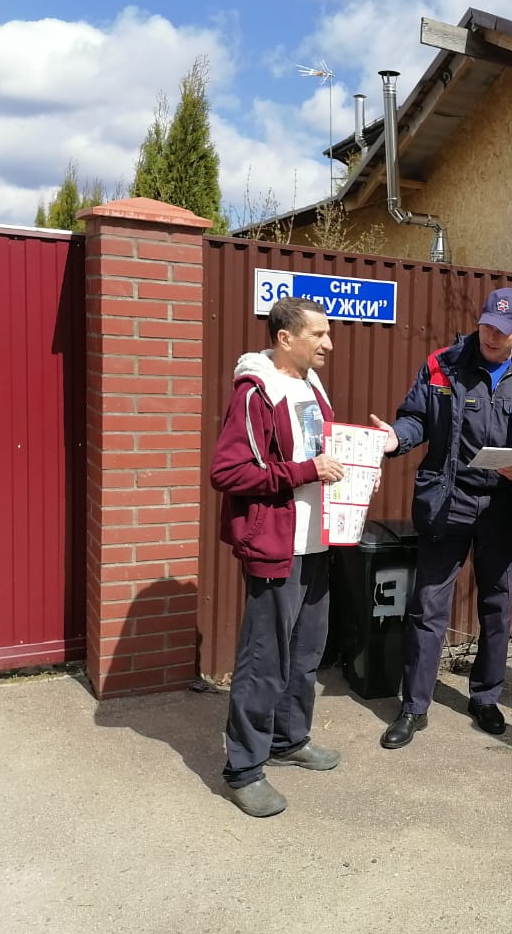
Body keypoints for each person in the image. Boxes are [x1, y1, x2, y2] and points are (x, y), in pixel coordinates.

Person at [369, 287, 512, 749]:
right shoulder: (443, 363)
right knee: (428, 605)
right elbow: (415, 419)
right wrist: (392, 440)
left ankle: (484, 697)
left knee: (498, 607)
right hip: (449, 499)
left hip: (507, 504)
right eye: (486, 326)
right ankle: (414, 706)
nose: (491, 336)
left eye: (503, 331)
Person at [209, 297, 346, 818]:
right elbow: (228, 473)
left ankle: (290, 739)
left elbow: (320, 453)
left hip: (316, 542)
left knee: (307, 651)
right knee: (264, 660)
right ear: (285, 338)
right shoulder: (255, 391)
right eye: (318, 335)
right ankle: (244, 768)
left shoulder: (312, 387)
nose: (328, 344)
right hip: (275, 544)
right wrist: (304, 472)